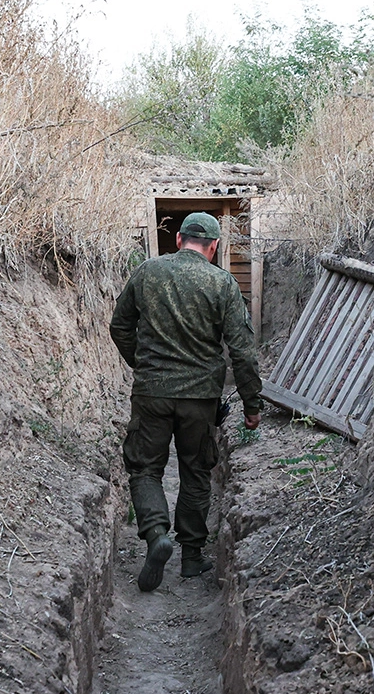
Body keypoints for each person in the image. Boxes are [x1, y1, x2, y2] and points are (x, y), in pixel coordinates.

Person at [109, 211, 263, 592]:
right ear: (213, 247)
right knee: (196, 471)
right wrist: (251, 403)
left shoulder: (147, 272)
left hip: (151, 393)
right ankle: (192, 558)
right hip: (200, 398)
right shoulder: (223, 283)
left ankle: (156, 533)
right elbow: (242, 351)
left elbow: (119, 327)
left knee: (145, 469)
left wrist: (142, 364)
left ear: (178, 240)